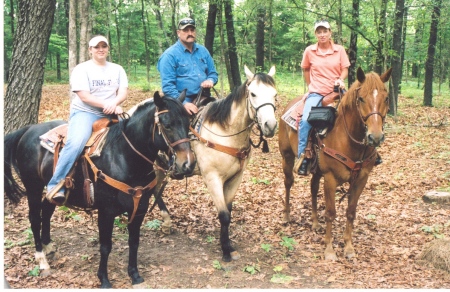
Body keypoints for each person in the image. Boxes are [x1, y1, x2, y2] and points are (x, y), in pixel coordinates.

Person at [46, 35, 128, 204]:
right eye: (96, 47)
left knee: (134, 137)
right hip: (86, 113)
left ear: (108, 48)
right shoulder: (82, 69)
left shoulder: (117, 69)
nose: (100, 49)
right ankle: (56, 185)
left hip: (110, 112)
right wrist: (109, 104)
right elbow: (85, 96)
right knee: (76, 143)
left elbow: (123, 92)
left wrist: (115, 103)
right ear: (90, 50)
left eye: (103, 46)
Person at [293, 20, 350, 175]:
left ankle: (370, 152)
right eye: (319, 32)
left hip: (337, 90)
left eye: (325, 31)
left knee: (358, 112)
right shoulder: (309, 51)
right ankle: (303, 157)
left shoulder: (339, 50)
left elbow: (345, 68)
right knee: (305, 121)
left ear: (330, 32)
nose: (322, 34)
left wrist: (341, 79)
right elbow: (306, 69)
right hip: (317, 92)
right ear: (315, 34)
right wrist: (312, 86)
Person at [157, 17, 218, 115]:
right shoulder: (169, 55)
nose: (190, 33)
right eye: (185, 30)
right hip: (180, 102)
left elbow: (213, 73)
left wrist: (210, 80)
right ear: (178, 33)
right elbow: (168, 87)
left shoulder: (203, 51)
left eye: (192, 30)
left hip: (204, 98)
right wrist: (184, 104)